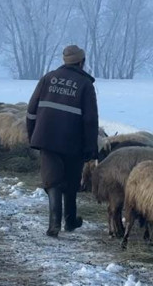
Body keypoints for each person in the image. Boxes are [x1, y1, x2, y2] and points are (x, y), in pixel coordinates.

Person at [26, 45, 99, 237]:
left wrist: (32, 135)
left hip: (46, 137)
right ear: (81, 62)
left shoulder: (48, 78)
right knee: (71, 181)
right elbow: (90, 120)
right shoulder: (85, 84)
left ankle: (54, 223)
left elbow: (31, 110)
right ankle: (70, 221)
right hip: (73, 140)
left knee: (52, 180)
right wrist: (91, 147)